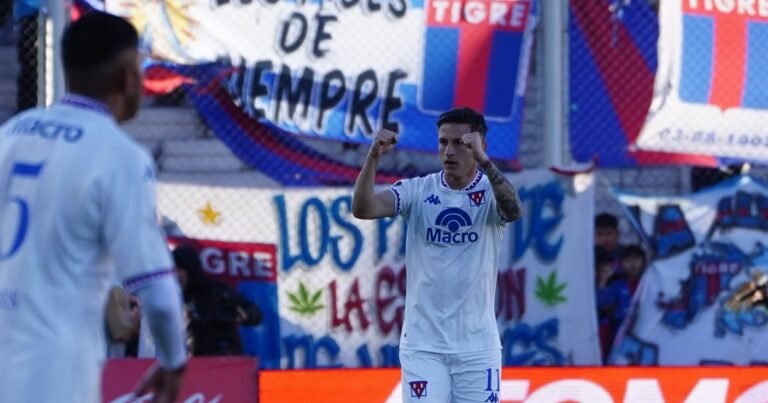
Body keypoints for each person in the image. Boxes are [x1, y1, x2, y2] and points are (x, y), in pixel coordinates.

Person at [0, 12, 187, 403]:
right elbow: (157, 288)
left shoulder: (10, 134)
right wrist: (172, 363)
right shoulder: (119, 157)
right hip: (51, 374)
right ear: (126, 78)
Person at [352, 107, 523, 402]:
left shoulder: (492, 193)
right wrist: (374, 157)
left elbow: (513, 211)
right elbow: (364, 209)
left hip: (477, 347)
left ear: (481, 146)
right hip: (424, 347)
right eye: (444, 142)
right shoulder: (417, 191)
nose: (449, 150)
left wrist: (485, 163)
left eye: (461, 143)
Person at [173, 244, 262, 356]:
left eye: (180, 269)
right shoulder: (170, 297)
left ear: (191, 269)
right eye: (173, 269)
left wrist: (245, 314)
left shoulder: (217, 291)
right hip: (185, 360)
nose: (176, 274)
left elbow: (254, 313)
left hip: (219, 358)